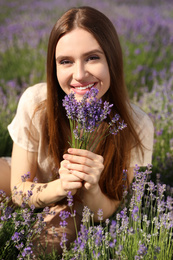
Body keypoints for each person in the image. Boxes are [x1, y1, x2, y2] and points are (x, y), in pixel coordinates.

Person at [0, 6, 154, 254]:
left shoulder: (137, 125)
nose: (80, 75)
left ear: (111, 60)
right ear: (55, 66)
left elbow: (109, 209)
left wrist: (91, 188)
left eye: (92, 57)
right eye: (66, 61)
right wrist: (60, 187)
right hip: (38, 185)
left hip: (80, 207)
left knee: (45, 246)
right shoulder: (35, 102)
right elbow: (20, 191)